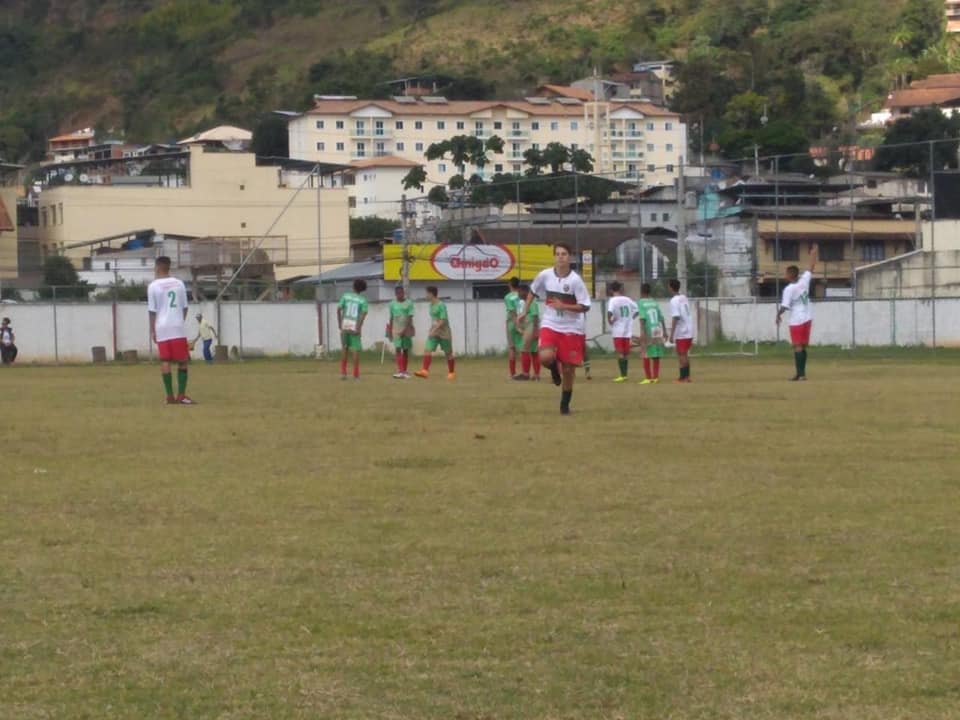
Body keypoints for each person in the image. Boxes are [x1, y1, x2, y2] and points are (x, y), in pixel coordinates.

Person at [530, 243, 591, 415]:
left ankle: (564, 406)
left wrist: (564, 305)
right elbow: (532, 291)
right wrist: (524, 310)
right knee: (545, 357)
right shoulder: (545, 275)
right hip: (550, 323)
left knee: (569, 370)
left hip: (572, 327)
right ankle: (553, 370)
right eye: (557, 254)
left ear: (569, 257)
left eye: (564, 254)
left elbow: (585, 306)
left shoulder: (575, 280)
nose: (560, 257)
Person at [147, 256, 193, 404]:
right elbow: (185, 308)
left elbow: (152, 311)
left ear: (158, 267)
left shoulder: (153, 286)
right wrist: (179, 321)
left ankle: (169, 397)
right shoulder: (179, 284)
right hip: (177, 326)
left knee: (165, 360)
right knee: (182, 361)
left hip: (161, 327)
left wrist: (153, 330)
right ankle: (181, 396)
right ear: (168, 267)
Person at [777, 243, 819, 381]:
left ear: (789, 275)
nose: (785, 275)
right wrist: (814, 253)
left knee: (797, 346)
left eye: (786, 272)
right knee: (802, 346)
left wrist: (778, 315)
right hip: (808, 317)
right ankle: (802, 373)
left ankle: (800, 374)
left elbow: (784, 306)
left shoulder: (789, 289)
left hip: (797, 319)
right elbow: (811, 267)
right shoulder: (804, 281)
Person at [415, 286, 455, 380]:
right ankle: (425, 371)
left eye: (427, 294)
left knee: (448, 353)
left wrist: (434, 329)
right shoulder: (431, 305)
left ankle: (451, 372)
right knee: (427, 349)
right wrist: (431, 329)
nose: (426, 296)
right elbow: (434, 320)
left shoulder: (441, 305)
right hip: (434, 332)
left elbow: (442, 320)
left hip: (444, 332)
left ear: (431, 294)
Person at [635, 283, 667, 385]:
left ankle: (648, 378)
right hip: (657, 329)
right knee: (656, 354)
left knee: (645, 353)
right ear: (649, 291)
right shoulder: (654, 302)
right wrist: (665, 331)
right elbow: (661, 317)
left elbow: (642, 318)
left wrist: (642, 332)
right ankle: (656, 377)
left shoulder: (641, 303)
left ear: (641, 292)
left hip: (648, 329)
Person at [606, 281, 638, 382]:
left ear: (611, 290)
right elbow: (637, 310)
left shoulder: (613, 300)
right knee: (626, 353)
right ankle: (625, 374)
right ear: (620, 289)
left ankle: (622, 375)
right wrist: (632, 318)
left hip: (618, 330)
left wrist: (610, 321)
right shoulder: (627, 299)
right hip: (627, 330)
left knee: (620, 352)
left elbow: (609, 312)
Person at [337, 278, 368, 380]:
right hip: (354, 326)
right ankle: (355, 374)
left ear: (353, 286)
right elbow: (363, 315)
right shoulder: (363, 300)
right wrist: (359, 328)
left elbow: (338, 309)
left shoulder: (345, 296)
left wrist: (339, 324)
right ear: (362, 289)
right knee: (355, 350)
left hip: (345, 325)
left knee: (344, 348)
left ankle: (343, 373)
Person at [514, 283, 541, 381]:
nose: (518, 294)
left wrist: (535, 331)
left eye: (519, 292)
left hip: (531, 327)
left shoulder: (531, 303)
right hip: (530, 327)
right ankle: (536, 375)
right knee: (534, 351)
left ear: (525, 292)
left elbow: (535, 316)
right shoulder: (526, 303)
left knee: (525, 349)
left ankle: (525, 374)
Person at [668, 279, 694, 383]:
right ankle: (687, 377)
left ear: (670, 287)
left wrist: (672, 334)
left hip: (682, 331)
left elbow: (676, 317)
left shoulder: (674, 300)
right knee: (685, 354)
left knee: (681, 354)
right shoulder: (683, 297)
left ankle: (683, 377)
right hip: (689, 329)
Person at [387, 285, 415, 379]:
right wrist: (390, 330)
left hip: (406, 330)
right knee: (398, 349)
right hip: (396, 329)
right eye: (398, 293)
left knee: (405, 350)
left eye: (401, 293)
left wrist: (406, 329)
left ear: (404, 293)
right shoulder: (392, 304)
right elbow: (391, 318)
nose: (400, 295)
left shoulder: (409, 303)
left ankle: (405, 371)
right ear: (395, 294)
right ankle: (401, 371)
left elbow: (410, 318)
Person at [504, 277, 522, 379]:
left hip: (512, 322)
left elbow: (512, 311)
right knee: (524, 348)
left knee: (512, 348)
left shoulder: (508, 297)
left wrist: (516, 324)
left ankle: (512, 373)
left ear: (510, 284)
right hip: (524, 321)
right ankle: (525, 371)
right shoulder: (522, 295)